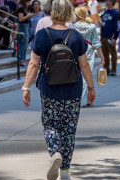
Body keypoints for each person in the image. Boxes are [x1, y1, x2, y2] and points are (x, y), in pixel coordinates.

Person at [22, 0, 96, 179]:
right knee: (69, 129)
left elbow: (33, 64)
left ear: (53, 12)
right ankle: (65, 170)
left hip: (49, 89)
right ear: (69, 14)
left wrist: (26, 86)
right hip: (73, 89)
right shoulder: (76, 36)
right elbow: (84, 65)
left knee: (50, 124)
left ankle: (55, 152)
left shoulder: (41, 35)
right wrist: (91, 88)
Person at [74, 6, 104, 106]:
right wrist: (102, 58)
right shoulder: (91, 27)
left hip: (76, 53)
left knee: (77, 76)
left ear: (77, 15)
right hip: (89, 53)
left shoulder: (74, 26)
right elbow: (96, 43)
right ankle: (83, 99)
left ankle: (78, 98)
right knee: (86, 77)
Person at [99, 0, 119, 76]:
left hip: (110, 37)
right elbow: (103, 21)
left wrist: (115, 37)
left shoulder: (115, 13)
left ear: (111, 2)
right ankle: (106, 69)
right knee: (105, 54)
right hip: (103, 36)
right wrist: (100, 22)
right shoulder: (105, 11)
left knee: (113, 53)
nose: (105, 2)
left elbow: (116, 26)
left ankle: (114, 70)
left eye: (107, 0)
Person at [16, 0, 36, 66]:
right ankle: (21, 60)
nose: (29, 4)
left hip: (26, 26)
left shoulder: (24, 9)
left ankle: (23, 60)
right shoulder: (21, 8)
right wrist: (28, 16)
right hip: (23, 27)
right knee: (22, 43)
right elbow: (20, 19)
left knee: (25, 45)